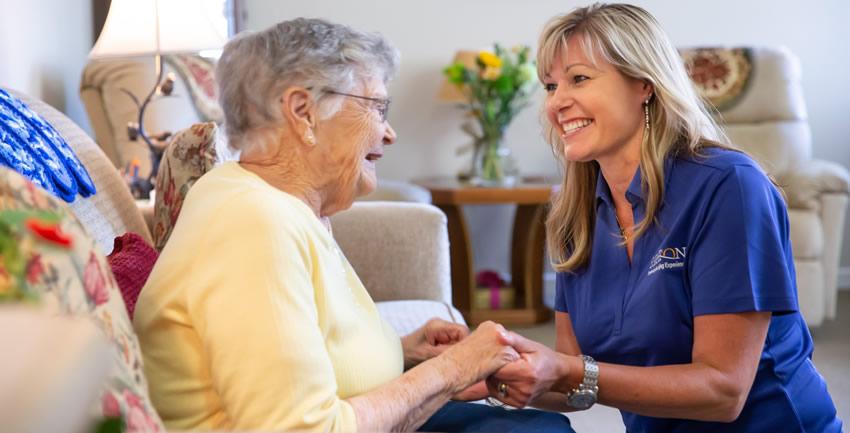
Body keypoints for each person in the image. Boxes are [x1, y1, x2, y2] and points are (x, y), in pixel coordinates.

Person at [133, 18, 573, 433]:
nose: (390, 133)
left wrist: (401, 350)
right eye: (377, 108)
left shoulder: (277, 201)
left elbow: (286, 351)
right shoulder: (254, 224)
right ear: (303, 112)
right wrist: (452, 370)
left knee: (543, 426)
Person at [484, 3, 843, 432]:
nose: (557, 102)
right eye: (549, 86)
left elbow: (723, 390)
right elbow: (569, 380)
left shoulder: (729, 187)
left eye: (579, 78)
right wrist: (493, 372)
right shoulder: (569, 217)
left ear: (644, 85)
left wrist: (568, 372)